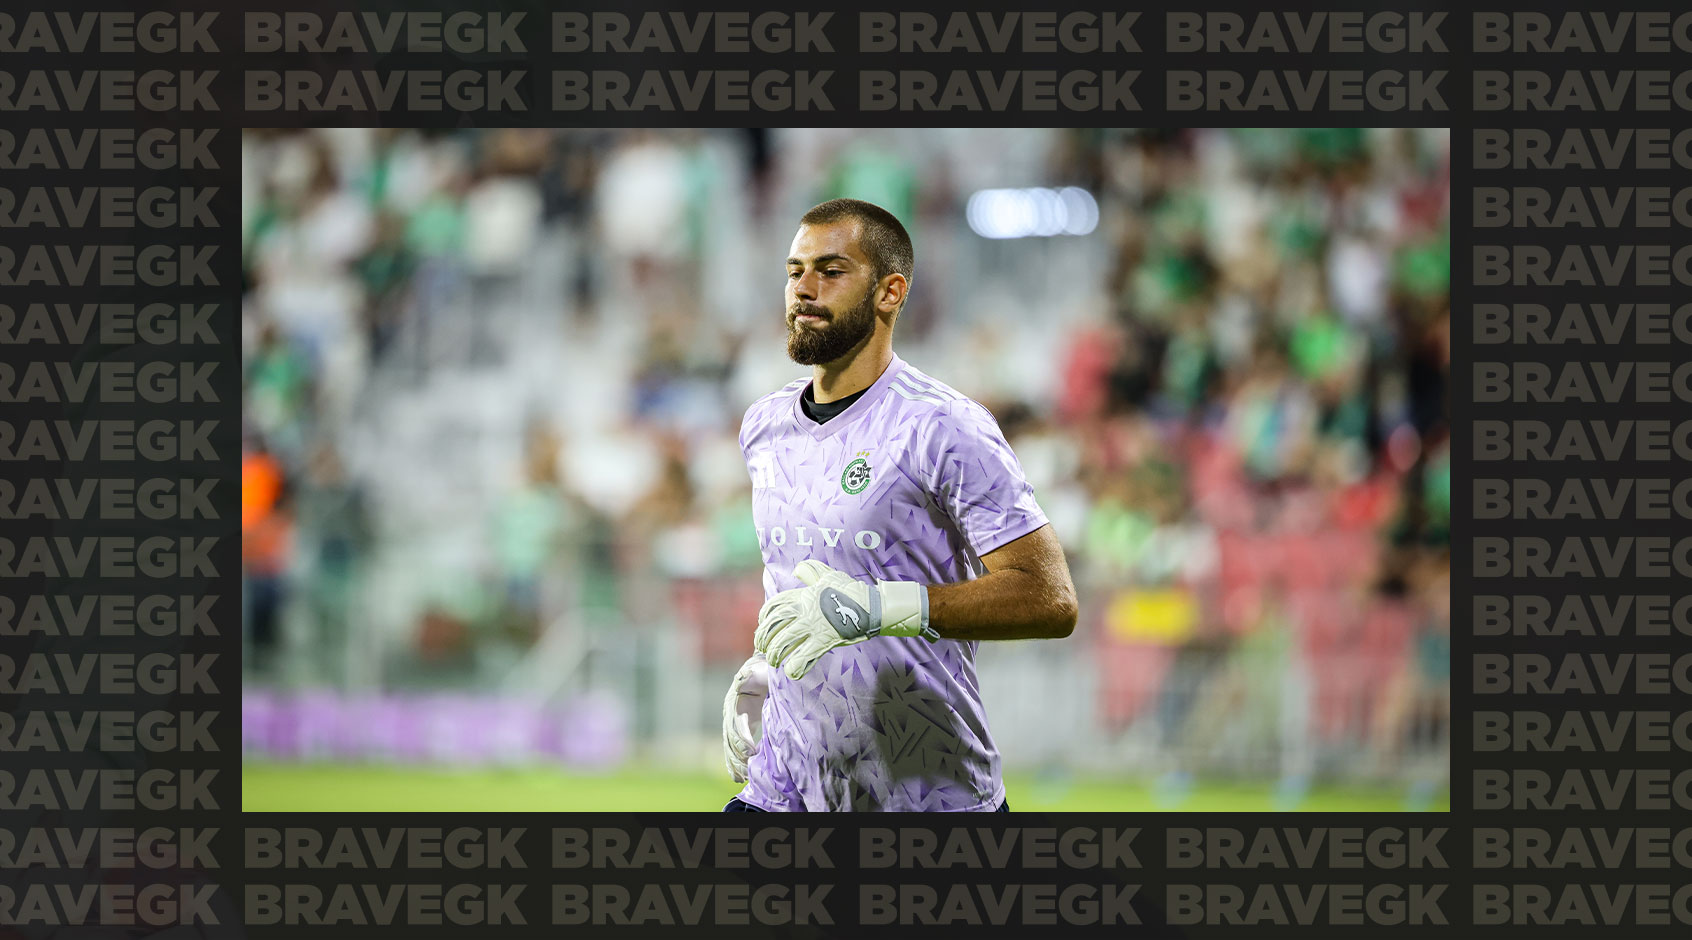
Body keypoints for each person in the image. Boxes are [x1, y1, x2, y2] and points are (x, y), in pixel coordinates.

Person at [721, 198, 1078, 812]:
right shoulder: (765, 425)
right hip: (785, 790)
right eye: (795, 271)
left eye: (831, 271)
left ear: (890, 292)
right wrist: (765, 671)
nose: (803, 288)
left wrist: (881, 609)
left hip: (926, 791)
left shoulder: (944, 426)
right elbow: (803, 581)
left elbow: (1050, 599)